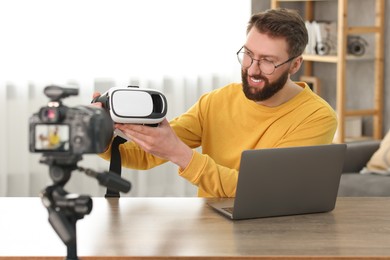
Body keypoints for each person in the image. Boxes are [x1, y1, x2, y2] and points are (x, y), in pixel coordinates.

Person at [94, 8, 337, 198]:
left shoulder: (317, 117)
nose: (252, 69)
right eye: (249, 54)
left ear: (295, 65)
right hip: (212, 227)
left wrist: (181, 155)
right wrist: (100, 133)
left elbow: (265, 191)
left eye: (267, 61)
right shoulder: (216, 102)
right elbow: (144, 156)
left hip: (274, 231)